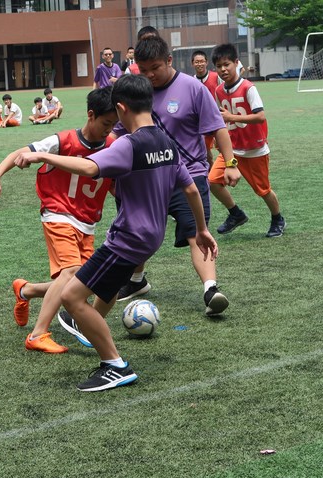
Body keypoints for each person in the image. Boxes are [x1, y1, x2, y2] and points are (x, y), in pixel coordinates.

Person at [14, 75, 218, 391]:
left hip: (129, 238)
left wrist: (41, 155)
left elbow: (89, 168)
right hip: (151, 238)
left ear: (121, 108)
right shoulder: (167, 142)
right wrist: (202, 229)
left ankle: (114, 364)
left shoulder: (129, 145)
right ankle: (92, 328)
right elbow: (191, 189)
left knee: (71, 296)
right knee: (105, 289)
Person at [0, 87, 118, 353]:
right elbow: (18, 153)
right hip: (57, 213)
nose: (109, 129)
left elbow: (114, 183)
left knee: (84, 282)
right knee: (69, 271)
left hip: (87, 222)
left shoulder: (114, 146)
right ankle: (38, 334)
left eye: (114, 124)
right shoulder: (63, 140)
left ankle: (27, 291)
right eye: (106, 123)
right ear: (91, 115)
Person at [113, 34, 237, 316]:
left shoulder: (193, 88)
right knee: (137, 233)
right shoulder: (136, 92)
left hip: (189, 175)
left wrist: (230, 163)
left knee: (196, 233)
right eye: (142, 70)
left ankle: (211, 289)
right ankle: (136, 281)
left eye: (154, 67)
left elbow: (217, 128)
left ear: (169, 60)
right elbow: (117, 132)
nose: (148, 75)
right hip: (146, 178)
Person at [209, 43, 286, 238]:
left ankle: (277, 218)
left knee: (263, 190)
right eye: (219, 66)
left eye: (227, 64)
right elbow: (221, 118)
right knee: (212, 181)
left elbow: (260, 116)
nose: (223, 69)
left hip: (254, 149)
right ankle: (236, 213)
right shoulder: (218, 90)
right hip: (232, 150)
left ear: (236, 63)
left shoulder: (248, 88)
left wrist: (232, 118)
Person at [192, 50, 222, 166]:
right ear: (192, 64)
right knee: (206, 151)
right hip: (201, 122)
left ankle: (228, 168)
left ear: (207, 62)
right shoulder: (191, 81)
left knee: (222, 147)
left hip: (217, 118)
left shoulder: (216, 77)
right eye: (197, 62)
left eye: (202, 61)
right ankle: (210, 175)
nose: (199, 64)